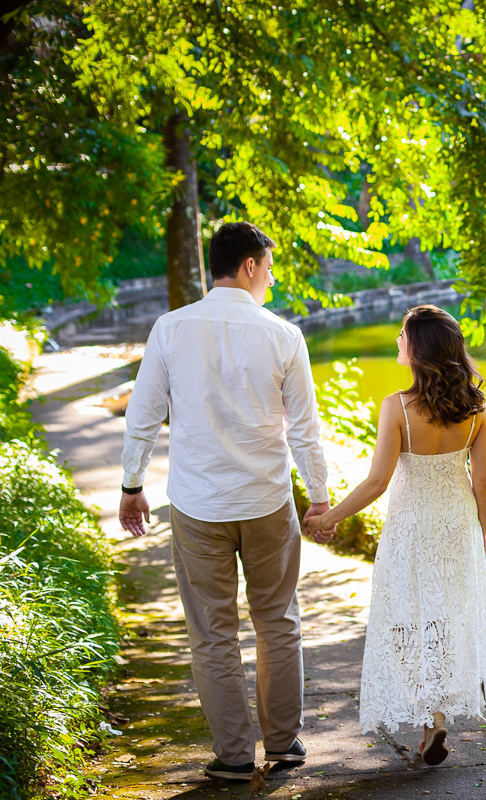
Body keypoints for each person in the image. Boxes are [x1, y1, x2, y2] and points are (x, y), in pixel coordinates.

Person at [118, 221, 334, 782]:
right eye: (269, 268)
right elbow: (305, 430)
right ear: (248, 266)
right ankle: (283, 744)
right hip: (267, 502)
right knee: (277, 621)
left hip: (198, 505)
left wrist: (132, 486)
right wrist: (318, 498)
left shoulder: (170, 329)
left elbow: (143, 415)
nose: (271, 279)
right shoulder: (283, 336)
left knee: (212, 633)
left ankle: (235, 757)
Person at [303, 304, 486, 765]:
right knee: (446, 619)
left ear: (419, 349)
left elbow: (377, 482)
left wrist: (329, 518)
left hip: (412, 527)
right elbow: (482, 483)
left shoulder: (397, 407)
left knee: (408, 619)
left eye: (403, 334)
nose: (397, 340)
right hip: (458, 525)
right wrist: (480, 536)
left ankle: (431, 714)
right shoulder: (476, 407)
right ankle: (436, 718)